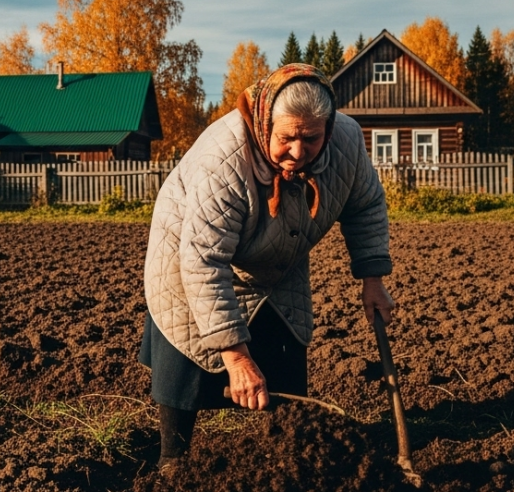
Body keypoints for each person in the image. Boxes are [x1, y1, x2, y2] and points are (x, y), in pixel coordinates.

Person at [140, 63, 395, 467]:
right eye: (287, 138)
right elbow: (203, 262)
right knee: (186, 355)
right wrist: (236, 357)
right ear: (264, 123)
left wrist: (373, 279)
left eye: (311, 139)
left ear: (328, 128)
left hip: (281, 254)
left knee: (283, 354)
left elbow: (365, 206)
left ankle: (286, 458)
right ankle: (173, 459)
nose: (298, 151)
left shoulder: (347, 141)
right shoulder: (223, 160)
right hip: (189, 252)